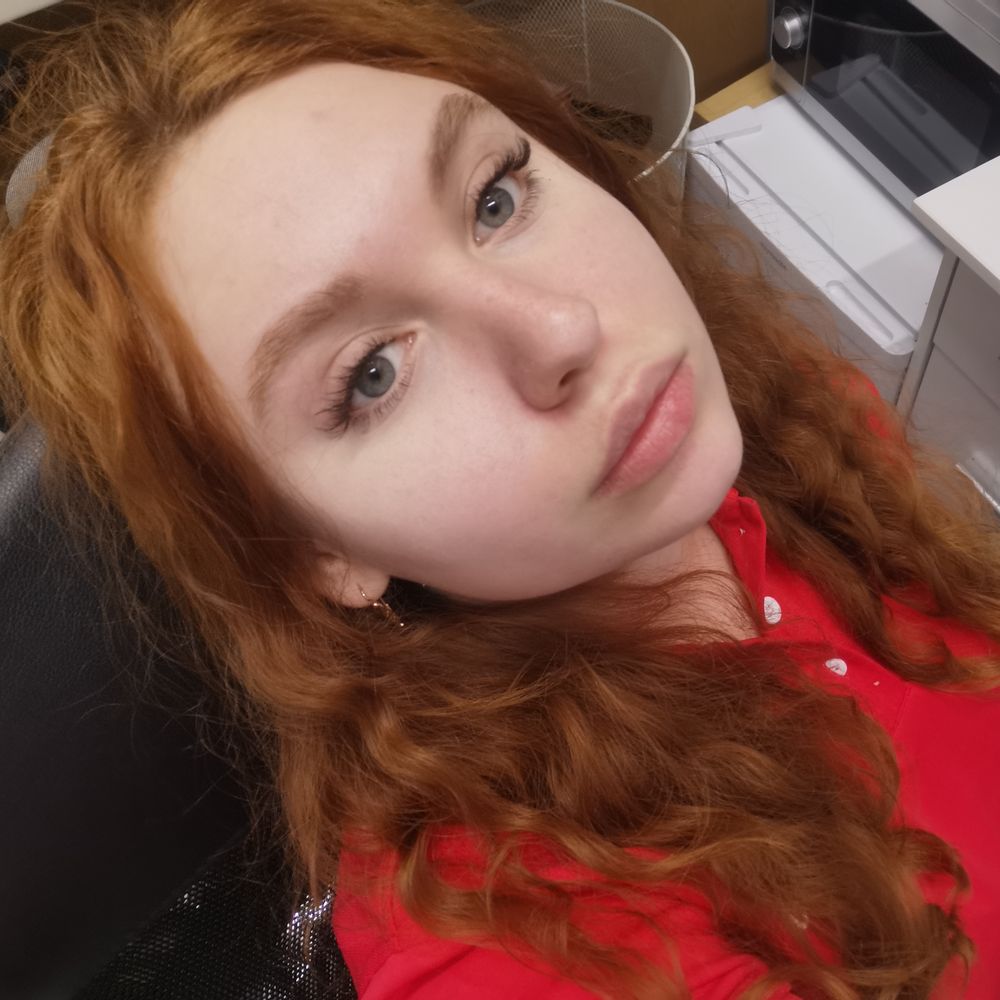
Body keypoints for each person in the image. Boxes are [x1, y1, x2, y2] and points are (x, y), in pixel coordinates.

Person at [1, 1, 998, 997]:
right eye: (374, 375)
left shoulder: (781, 424)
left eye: (493, 199)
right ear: (317, 552)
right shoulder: (518, 942)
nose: (564, 328)